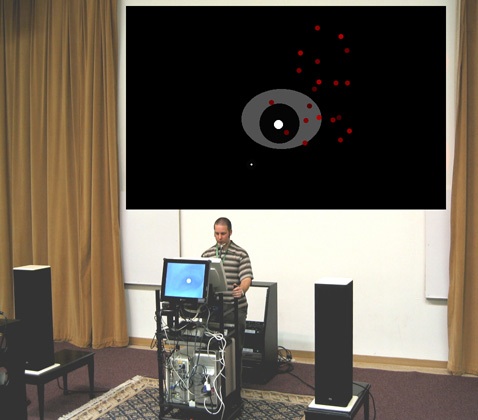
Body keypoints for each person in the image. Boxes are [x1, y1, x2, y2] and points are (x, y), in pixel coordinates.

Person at [201, 217, 253, 389]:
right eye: (216, 233)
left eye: (223, 233)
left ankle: (234, 387)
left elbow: (247, 278)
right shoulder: (207, 255)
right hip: (213, 309)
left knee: (234, 348)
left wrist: (242, 289)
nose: (220, 237)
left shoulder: (240, 253)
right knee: (210, 346)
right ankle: (214, 385)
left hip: (234, 308)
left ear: (230, 232)